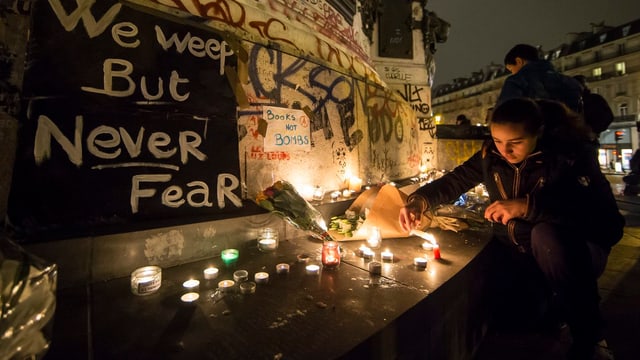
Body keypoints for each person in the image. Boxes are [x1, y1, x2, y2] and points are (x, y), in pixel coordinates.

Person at [399, 98, 624, 360]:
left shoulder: (569, 158)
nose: (504, 151)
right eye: (497, 140)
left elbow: (607, 223)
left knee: (545, 235)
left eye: (515, 143)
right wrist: (418, 201)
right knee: (515, 321)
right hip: (521, 256)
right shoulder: (490, 156)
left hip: (573, 254)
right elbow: (454, 181)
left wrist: (527, 207)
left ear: (538, 133)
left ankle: (589, 334)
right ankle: (549, 304)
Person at [497, 44, 583, 112]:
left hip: (533, 132)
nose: (512, 73)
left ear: (519, 61)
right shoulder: (571, 82)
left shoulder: (517, 81)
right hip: (566, 132)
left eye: (511, 69)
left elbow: (504, 113)